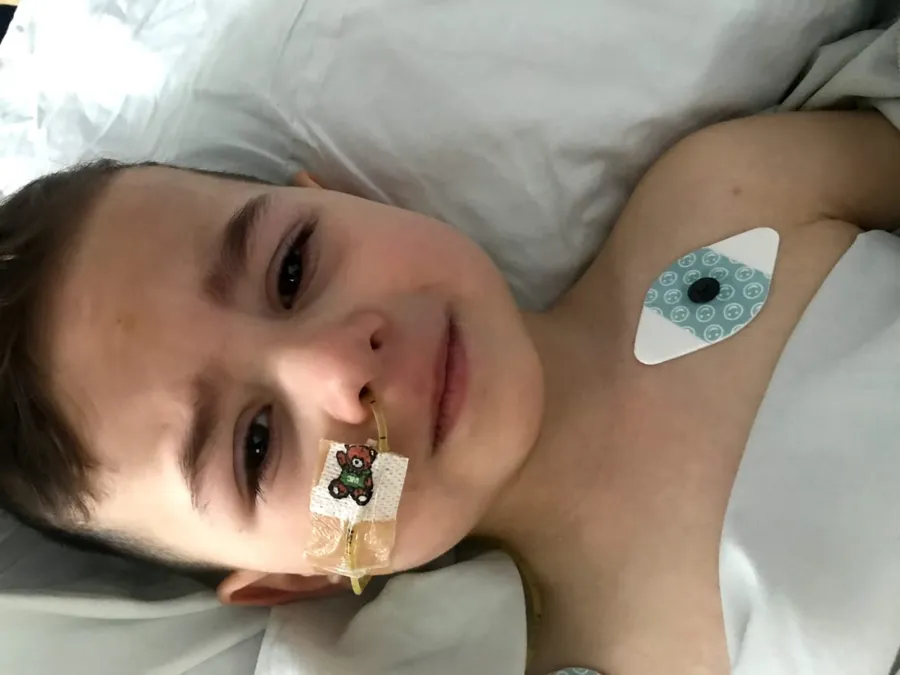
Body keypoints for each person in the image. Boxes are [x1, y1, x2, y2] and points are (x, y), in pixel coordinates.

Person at [2, 108, 899, 675]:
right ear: (295, 576)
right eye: (257, 444)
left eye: (292, 267)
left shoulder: (725, 202)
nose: (337, 366)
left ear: (337, 195)